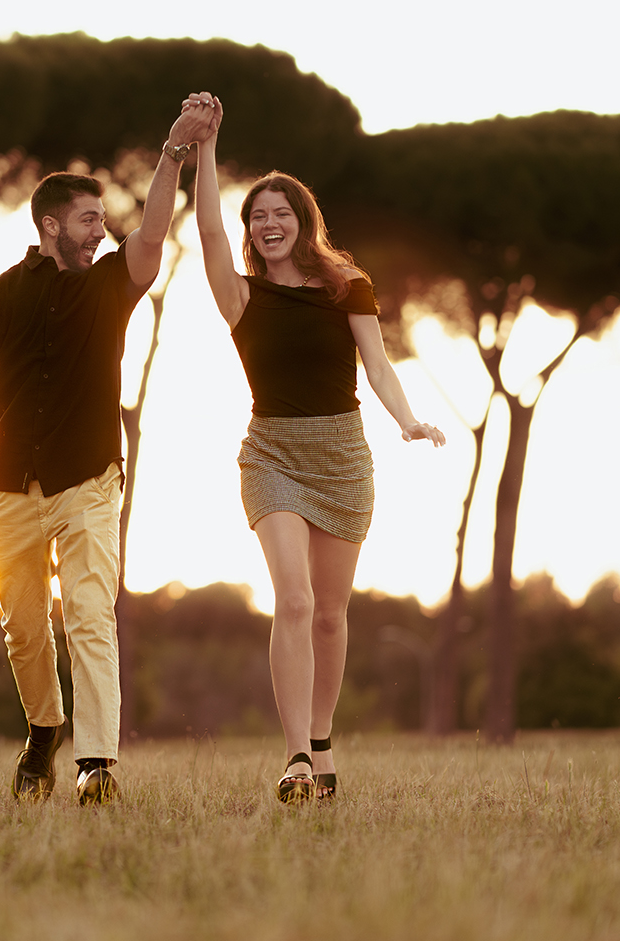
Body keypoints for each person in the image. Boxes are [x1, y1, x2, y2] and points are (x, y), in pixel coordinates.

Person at [0, 99, 217, 805]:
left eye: (103, 220)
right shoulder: (0, 293)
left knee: (90, 613)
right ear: (52, 225)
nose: (102, 230)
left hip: (91, 479)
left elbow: (152, 229)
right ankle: (43, 731)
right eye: (89, 219)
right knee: (25, 631)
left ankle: (97, 765)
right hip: (11, 485)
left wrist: (173, 153)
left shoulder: (111, 283)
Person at [192, 94, 446, 801]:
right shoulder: (240, 296)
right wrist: (206, 148)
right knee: (295, 601)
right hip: (270, 455)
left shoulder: (347, 287)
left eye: (282, 213)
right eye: (258, 216)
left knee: (332, 615)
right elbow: (208, 231)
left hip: (342, 456)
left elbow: (379, 363)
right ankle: (297, 756)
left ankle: (324, 739)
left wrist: (407, 419)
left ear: (304, 222)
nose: (268, 224)